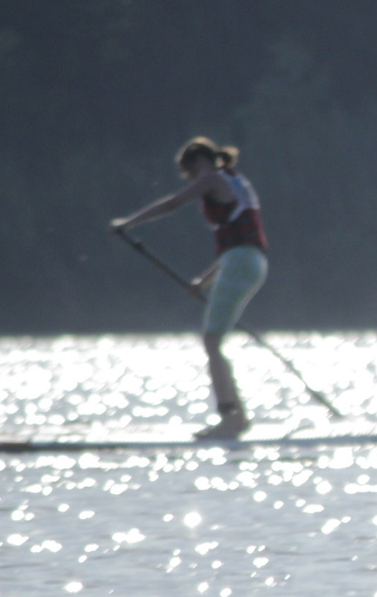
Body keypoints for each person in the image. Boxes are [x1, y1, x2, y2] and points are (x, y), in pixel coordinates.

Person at [112, 137, 269, 439]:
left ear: (198, 163)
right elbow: (236, 247)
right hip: (250, 263)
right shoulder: (235, 181)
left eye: (190, 172)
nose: (193, 180)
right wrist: (204, 281)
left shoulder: (212, 177)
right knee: (214, 339)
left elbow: (172, 203)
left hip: (240, 263)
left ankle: (232, 420)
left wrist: (128, 223)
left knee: (211, 342)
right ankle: (238, 418)